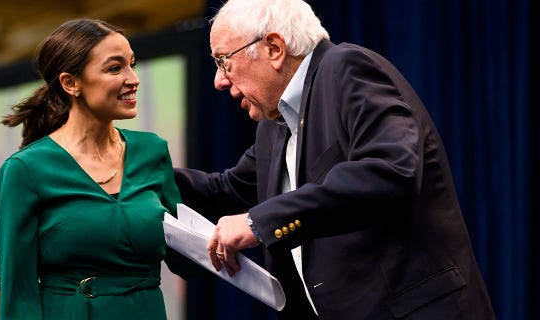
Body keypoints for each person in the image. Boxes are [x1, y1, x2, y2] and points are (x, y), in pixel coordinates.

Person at [174, 0, 496, 319]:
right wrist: (133, 162)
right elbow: (224, 191)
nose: (219, 80)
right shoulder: (273, 128)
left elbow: (391, 171)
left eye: (224, 60)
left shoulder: (346, 69)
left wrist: (257, 223)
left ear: (274, 48)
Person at [0, 18, 198, 319]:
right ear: (70, 83)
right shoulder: (25, 170)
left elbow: (184, 258)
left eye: (132, 64)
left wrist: (240, 231)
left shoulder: (152, 150)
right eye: (115, 68)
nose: (133, 78)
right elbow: (18, 295)